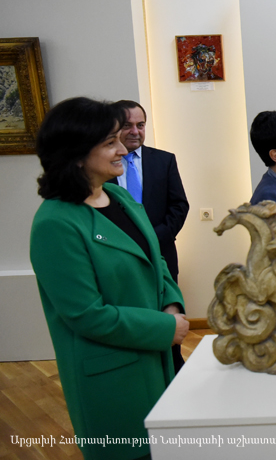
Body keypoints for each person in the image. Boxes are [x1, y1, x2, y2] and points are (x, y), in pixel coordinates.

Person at [30, 97, 188, 460]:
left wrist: (171, 304)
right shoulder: (55, 223)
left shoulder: (117, 196)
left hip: (156, 358)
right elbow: (87, 314)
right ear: (76, 155)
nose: (124, 149)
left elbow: (156, 260)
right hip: (113, 375)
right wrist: (165, 327)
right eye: (110, 142)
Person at [110, 100, 190, 372]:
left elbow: (179, 206)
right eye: (127, 125)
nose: (135, 131)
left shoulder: (163, 160)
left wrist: (152, 239)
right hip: (119, 256)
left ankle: (175, 367)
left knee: (169, 312)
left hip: (161, 254)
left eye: (140, 125)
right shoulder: (104, 165)